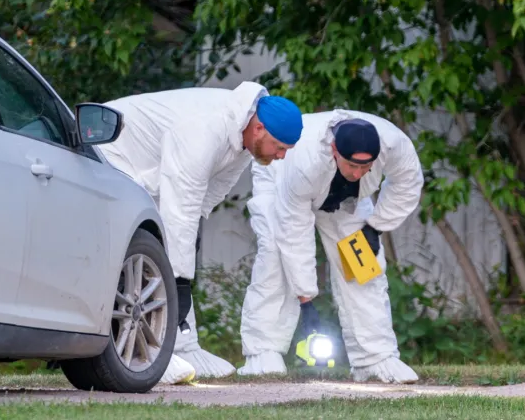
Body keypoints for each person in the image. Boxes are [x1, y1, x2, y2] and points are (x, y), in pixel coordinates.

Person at [97, 81, 304, 384]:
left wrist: (185, 254)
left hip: (155, 174)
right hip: (113, 155)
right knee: (147, 252)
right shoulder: (205, 129)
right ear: (259, 128)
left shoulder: (244, 142)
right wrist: (179, 280)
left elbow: (208, 195)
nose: (281, 156)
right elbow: (180, 207)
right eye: (280, 147)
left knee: (175, 247)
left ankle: (184, 347)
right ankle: (152, 353)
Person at [236, 109, 424, 383]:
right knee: (276, 256)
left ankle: (375, 358)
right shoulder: (304, 160)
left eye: (366, 167)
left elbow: (408, 183)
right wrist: (306, 301)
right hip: (280, 180)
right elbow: (294, 231)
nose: (358, 173)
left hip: (347, 202)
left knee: (364, 270)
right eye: (352, 165)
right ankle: (263, 353)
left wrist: (376, 225)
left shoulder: (394, 145)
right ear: (335, 149)